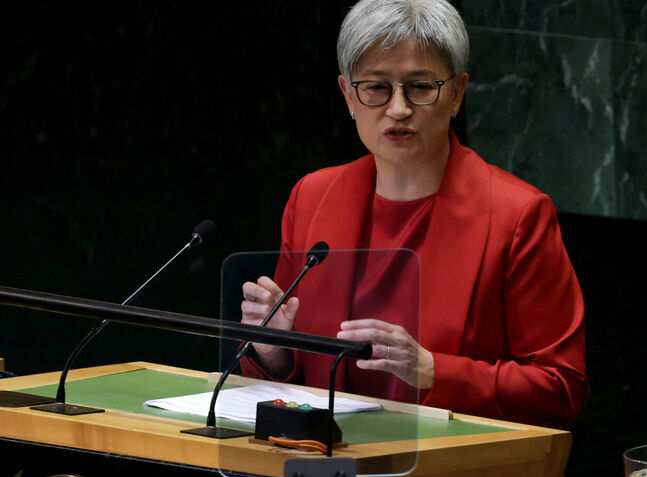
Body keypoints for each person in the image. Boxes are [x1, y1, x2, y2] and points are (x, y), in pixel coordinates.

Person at [239, 0, 586, 431]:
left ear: (457, 93)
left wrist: (434, 371)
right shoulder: (312, 197)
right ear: (349, 96)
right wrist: (273, 350)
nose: (398, 109)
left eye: (420, 87)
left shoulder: (518, 215)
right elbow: (291, 380)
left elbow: (561, 388)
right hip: (329, 465)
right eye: (376, 88)